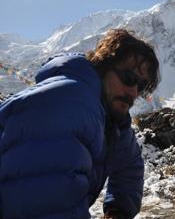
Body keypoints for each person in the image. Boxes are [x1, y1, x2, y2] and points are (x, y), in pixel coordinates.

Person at [0, 29, 160, 219]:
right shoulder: (67, 105)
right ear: (103, 67)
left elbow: (129, 164)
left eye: (140, 86)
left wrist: (118, 211)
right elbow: (46, 206)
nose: (133, 92)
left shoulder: (111, 115)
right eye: (128, 79)